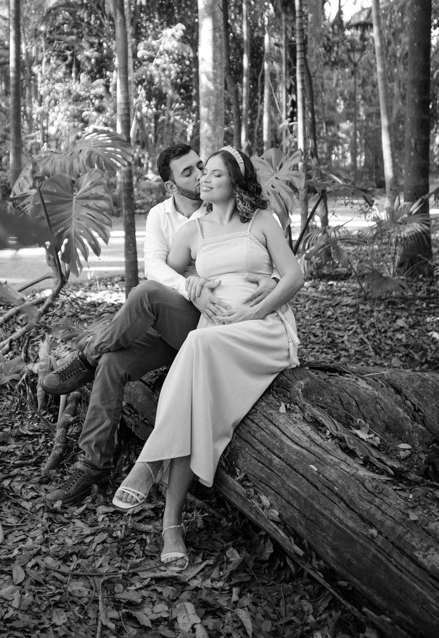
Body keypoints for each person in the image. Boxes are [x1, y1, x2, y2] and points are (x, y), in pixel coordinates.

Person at [43, 144, 278, 504]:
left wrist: (270, 280)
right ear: (170, 186)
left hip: (206, 325)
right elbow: (154, 264)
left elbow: (264, 257)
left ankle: (87, 356)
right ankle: (94, 466)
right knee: (112, 364)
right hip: (169, 321)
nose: (201, 175)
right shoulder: (160, 216)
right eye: (189, 172)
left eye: (203, 166)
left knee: (148, 293)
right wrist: (188, 287)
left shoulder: (227, 203)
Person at [112, 146, 304, 571]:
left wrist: (256, 308)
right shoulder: (193, 229)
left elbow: (294, 275)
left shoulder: (262, 221)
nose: (205, 179)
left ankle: (149, 463)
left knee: (197, 348)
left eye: (215, 174)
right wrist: (194, 280)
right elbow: (164, 270)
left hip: (261, 329)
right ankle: (171, 524)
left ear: (235, 181)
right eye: (204, 174)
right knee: (195, 393)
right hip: (214, 334)